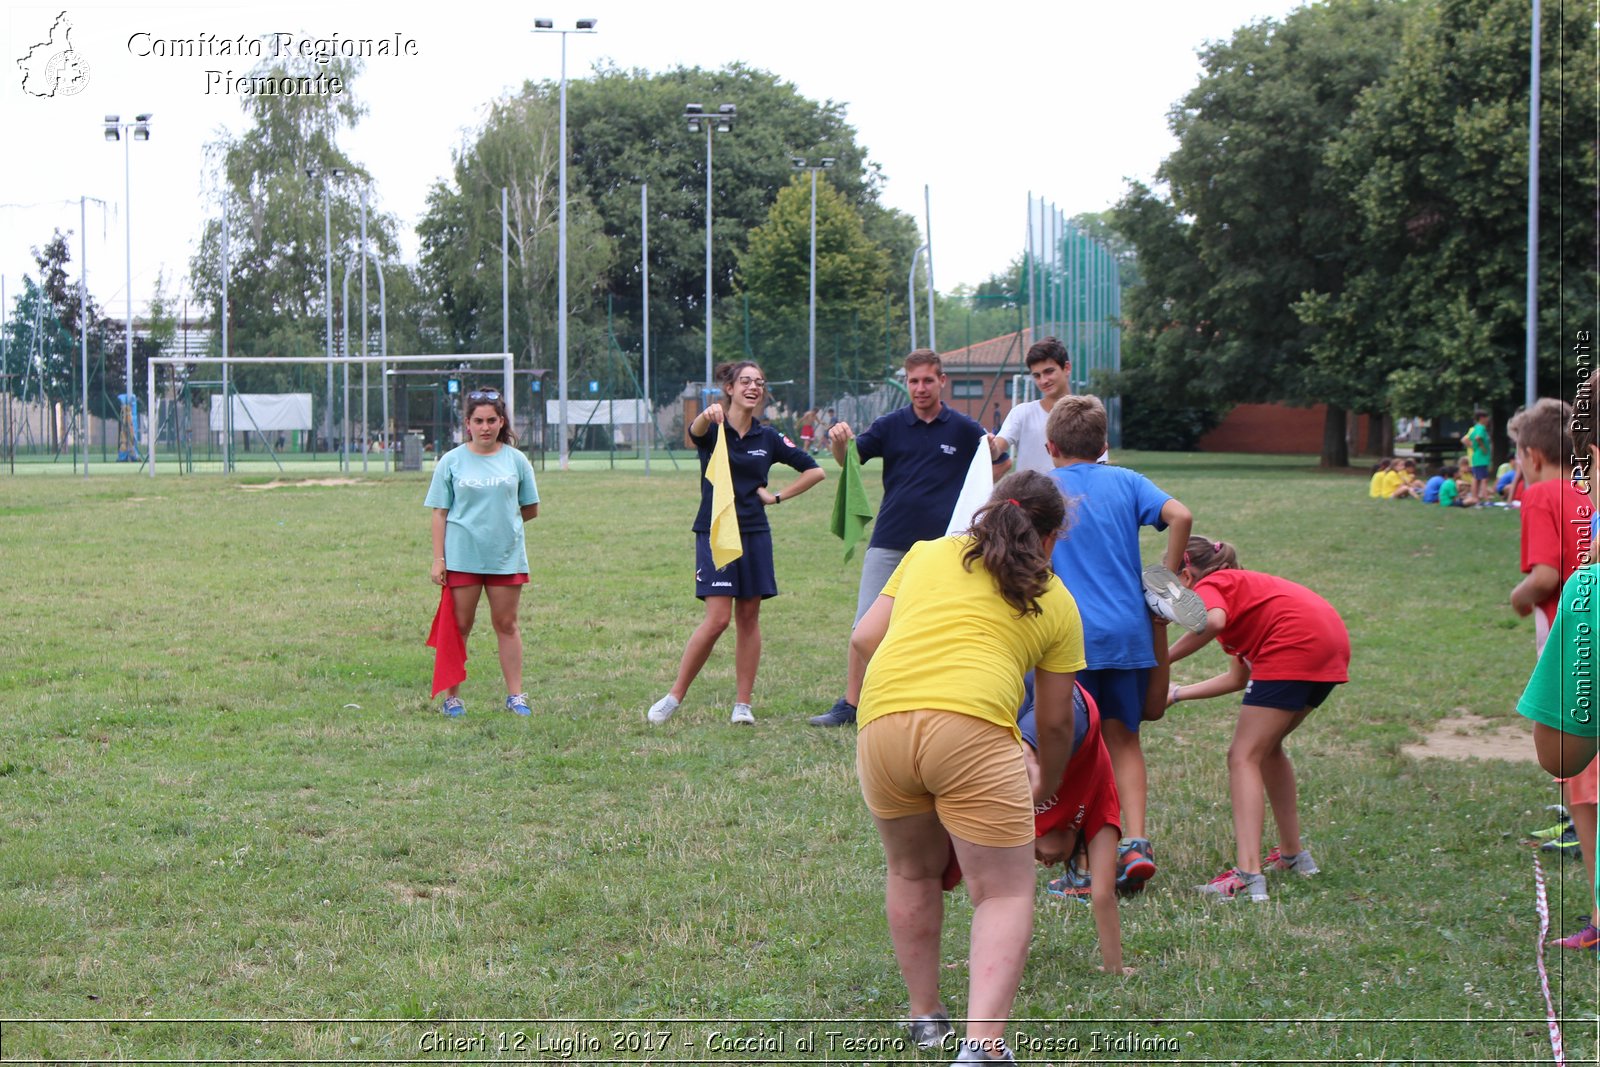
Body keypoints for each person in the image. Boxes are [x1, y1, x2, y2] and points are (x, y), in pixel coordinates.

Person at [852, 471, 1086, 1064]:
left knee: (911, 873)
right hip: (974, 729)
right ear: (1052, 537)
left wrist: (875, 704)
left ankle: (925, 1017)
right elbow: (1057, 722)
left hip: (882, 725)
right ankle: (982, 1047)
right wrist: (1049, 784)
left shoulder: (927, 554)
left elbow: (863, 638)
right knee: (1003, 893)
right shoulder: (1054, 598)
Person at [1042, 394, 1198, 894]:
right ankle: (1135, 842)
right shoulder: (1128, 480)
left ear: (1050, 447)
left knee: (1070, 747)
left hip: (1070, 641)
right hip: (1130, 633)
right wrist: (1166, 579)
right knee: (1123, 740)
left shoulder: (1044, 488)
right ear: (1104, 446)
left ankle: (1086, 864)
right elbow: (1182, 515)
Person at [811, 349, 997, 727]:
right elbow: (850, 458)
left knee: (940, 626)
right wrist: (839, 440)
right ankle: (852, 704)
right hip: (890, 539)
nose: (920, 388)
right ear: (907, 383)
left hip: (944, 548)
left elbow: (994, 465)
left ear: (942, 381)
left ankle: (934, 700)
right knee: (865, 624)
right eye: (913, 381)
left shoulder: (964, 429)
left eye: (928, 380)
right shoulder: (890, 425)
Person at [1166, 537, 1350, 901]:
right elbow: (1239, 678)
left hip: (1294, 646)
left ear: (1187, 577)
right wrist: (1177, 693)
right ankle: (1294, 855)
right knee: (1266, 750)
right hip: (1328, 646)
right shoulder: (1245, 593)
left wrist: (1163, 660)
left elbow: (1213, 621)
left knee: (1243, 756)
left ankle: (1248, 876)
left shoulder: (1212, 586)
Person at [646, 361, 825, 726]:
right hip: (715, 532)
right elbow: (695, 432)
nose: (753, 387)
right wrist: (707, 416)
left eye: (759, 382)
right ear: (729, 388)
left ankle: (743, 705)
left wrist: (777, 497)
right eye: (745, 381)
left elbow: (815, 470)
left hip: (755, 533)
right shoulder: (713, 427)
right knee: (717, 620)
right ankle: (673, 697)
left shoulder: (769, 437)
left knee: (748, 618)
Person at [1510, 388, 1598, 950]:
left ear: (1533, 457)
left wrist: (1518, 598)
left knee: (1582, 785)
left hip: (1580, 653)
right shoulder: (1585, 494)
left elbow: (1546, 576)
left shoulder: (1544, 494)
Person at [424, 388, 540, 718]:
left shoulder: (516, 460)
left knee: (507, 624)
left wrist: (503, 529)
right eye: (478, 421)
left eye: (491, 420)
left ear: (501, 422)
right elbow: (439, 513)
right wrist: (439, 558)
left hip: (505, 558)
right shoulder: (452, 460)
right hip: (462, 558)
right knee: (459, 627)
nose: (485, 427)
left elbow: (530, 508)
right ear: (467, 424)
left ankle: (516, 696)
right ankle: (452, 698)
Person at [989, 335, 1073, 475]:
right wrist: (990, 447)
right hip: (1029, 496)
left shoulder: (1086, 415)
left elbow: (1098, 465)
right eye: (1037, 375)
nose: (1043, 380)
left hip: (1072, 496)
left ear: (1067, 368)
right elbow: (997, 449)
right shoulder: (1022, 413)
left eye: (1049, 371)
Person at [1461, 409, 1493, 502]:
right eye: (1486, 417)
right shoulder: (1481, 428)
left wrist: (1473, 447)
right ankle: (1484, 498)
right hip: (1481, 458)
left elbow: (1468, 439)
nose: (1488, 420)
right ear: (1482, 418)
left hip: (1477, 457)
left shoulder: (1475, 428)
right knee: (1483, 478)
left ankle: (1475, 497)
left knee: (1477, 478)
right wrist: (1483, 448)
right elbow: (1478, 438)